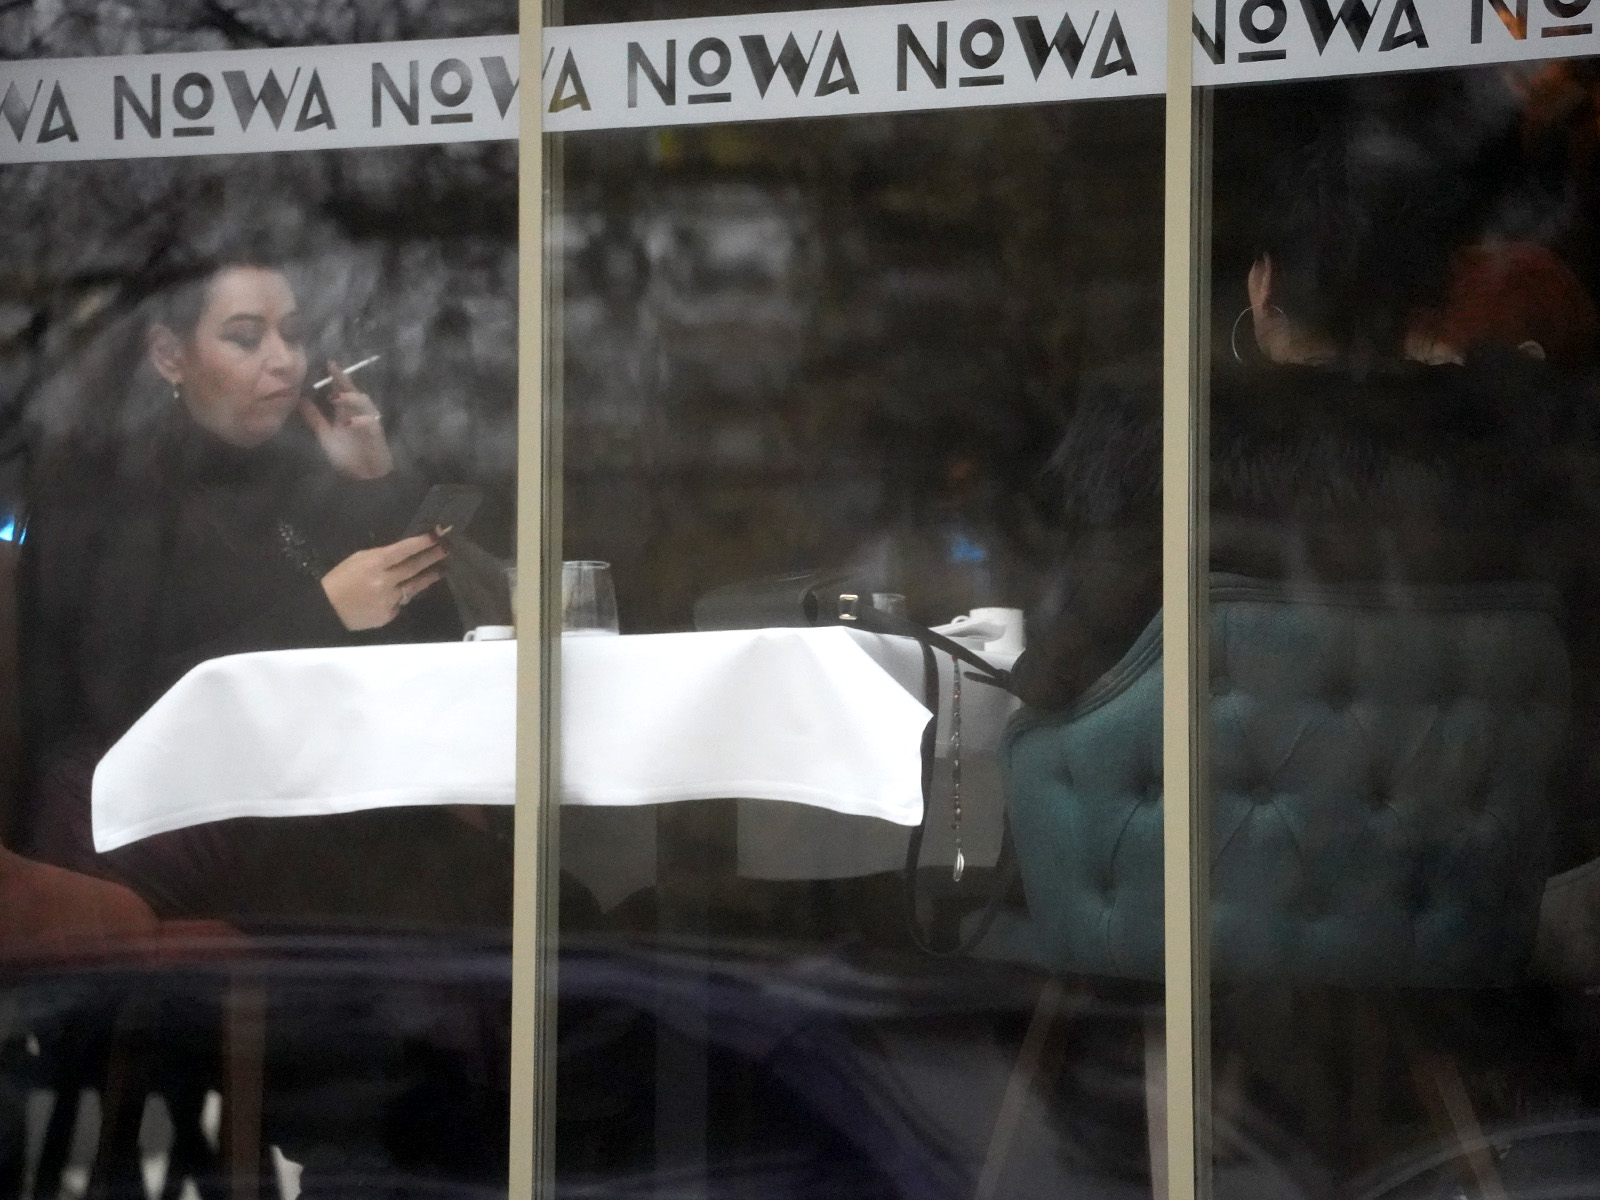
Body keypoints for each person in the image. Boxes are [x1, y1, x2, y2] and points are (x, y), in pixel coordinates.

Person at [16, 254, 509, 927]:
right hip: (184, 816)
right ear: (169, 357)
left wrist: (372, 484)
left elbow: (416, 656)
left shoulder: (294, 479)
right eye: (247, 339)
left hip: (313, 797)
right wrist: (324, 611)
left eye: (294, 335)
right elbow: (118, 696)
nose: (284, 361)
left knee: (522, 887)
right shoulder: (113, 493)